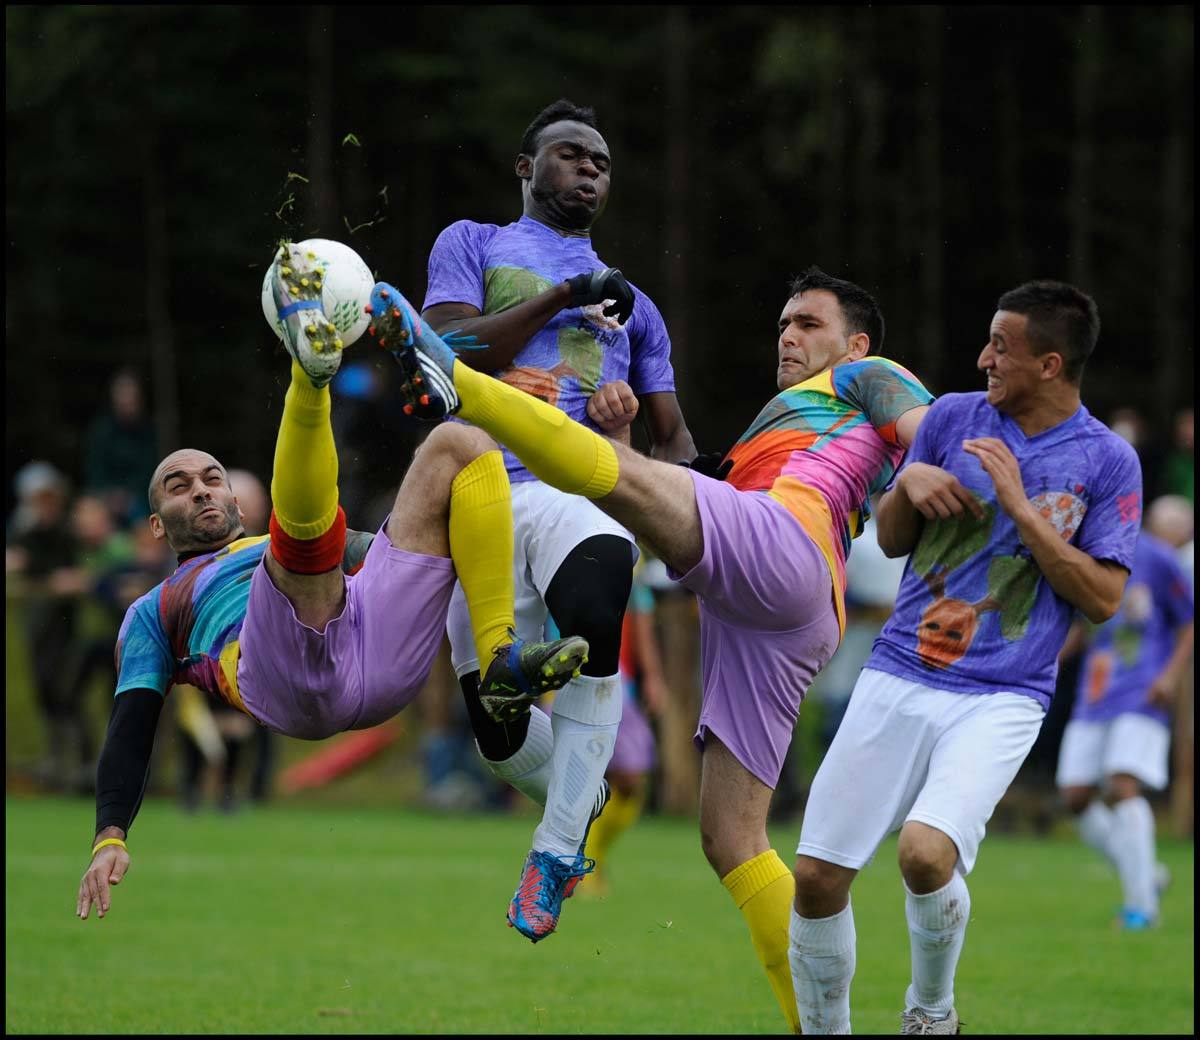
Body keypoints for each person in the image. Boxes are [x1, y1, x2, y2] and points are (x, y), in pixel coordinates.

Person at [367, 265, 933, 1033]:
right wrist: (622, 433)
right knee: (732, 840)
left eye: (808, 324)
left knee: (612, 477)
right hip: (785, 610)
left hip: (782, 549)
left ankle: (456, 379)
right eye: (782, 325)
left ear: (856, 342)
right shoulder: (779, 426)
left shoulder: (870, 373)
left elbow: (931, 434)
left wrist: (962, 478)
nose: (788, 337)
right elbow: (671, 502)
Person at [75, 244, 589, 921]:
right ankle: (309, 376)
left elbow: (403, 555)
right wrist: (110, 834)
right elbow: (131, 723)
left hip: (374, 646)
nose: (200, 490)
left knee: (460, 445)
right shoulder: (153, 608)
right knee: (299, 550)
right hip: (284, 680)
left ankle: (499, 666)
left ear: (236, 503)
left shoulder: (265, 542)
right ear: (156, 526)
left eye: (211, 479)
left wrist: (508, 407)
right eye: (178, 486)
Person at [788, 281, 1142, 1034]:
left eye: (1001, 347)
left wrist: (1021, 509)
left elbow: (1104, 598)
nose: (984, 358)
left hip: (1003, 693)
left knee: (923, 854)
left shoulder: (1108, 461)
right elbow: (890, 539)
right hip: (898, 669)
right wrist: (908, 481)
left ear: (1050, 365)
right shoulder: (950, 416)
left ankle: (931, 1014)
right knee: (816, 877)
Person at [418, 98, 696, 942]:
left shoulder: (637, 308)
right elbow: (448, 355)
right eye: (571, 155)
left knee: (602, 587)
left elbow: (676, 443)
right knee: (499, 737)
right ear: (525, 168)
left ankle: (556, 846)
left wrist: (635, 443)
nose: (588, 170)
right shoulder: (472, 243)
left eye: (601, 162)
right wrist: (567, 295)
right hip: (477, 489)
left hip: (571, 490)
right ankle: (584, 793)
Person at [1056, 500, 1194, 930]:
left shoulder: (1162, 561)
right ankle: (1147, 873)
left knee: (1122, 784)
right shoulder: (1099, 550)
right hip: (1096, 690)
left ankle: (1140, 908)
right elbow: (1083, 618)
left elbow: (1189, 621)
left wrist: (1171, 676)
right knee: (1076, 794)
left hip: (1141, 687)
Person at [83, 369, 159, 528]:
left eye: (130, 397)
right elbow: (95, 469)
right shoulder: (102, 430)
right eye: (122, 396)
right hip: (105, 495)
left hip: (138, 497)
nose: (126, 403)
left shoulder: (149, 431)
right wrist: (109, 494)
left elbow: (149, 469)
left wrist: (128, 495)